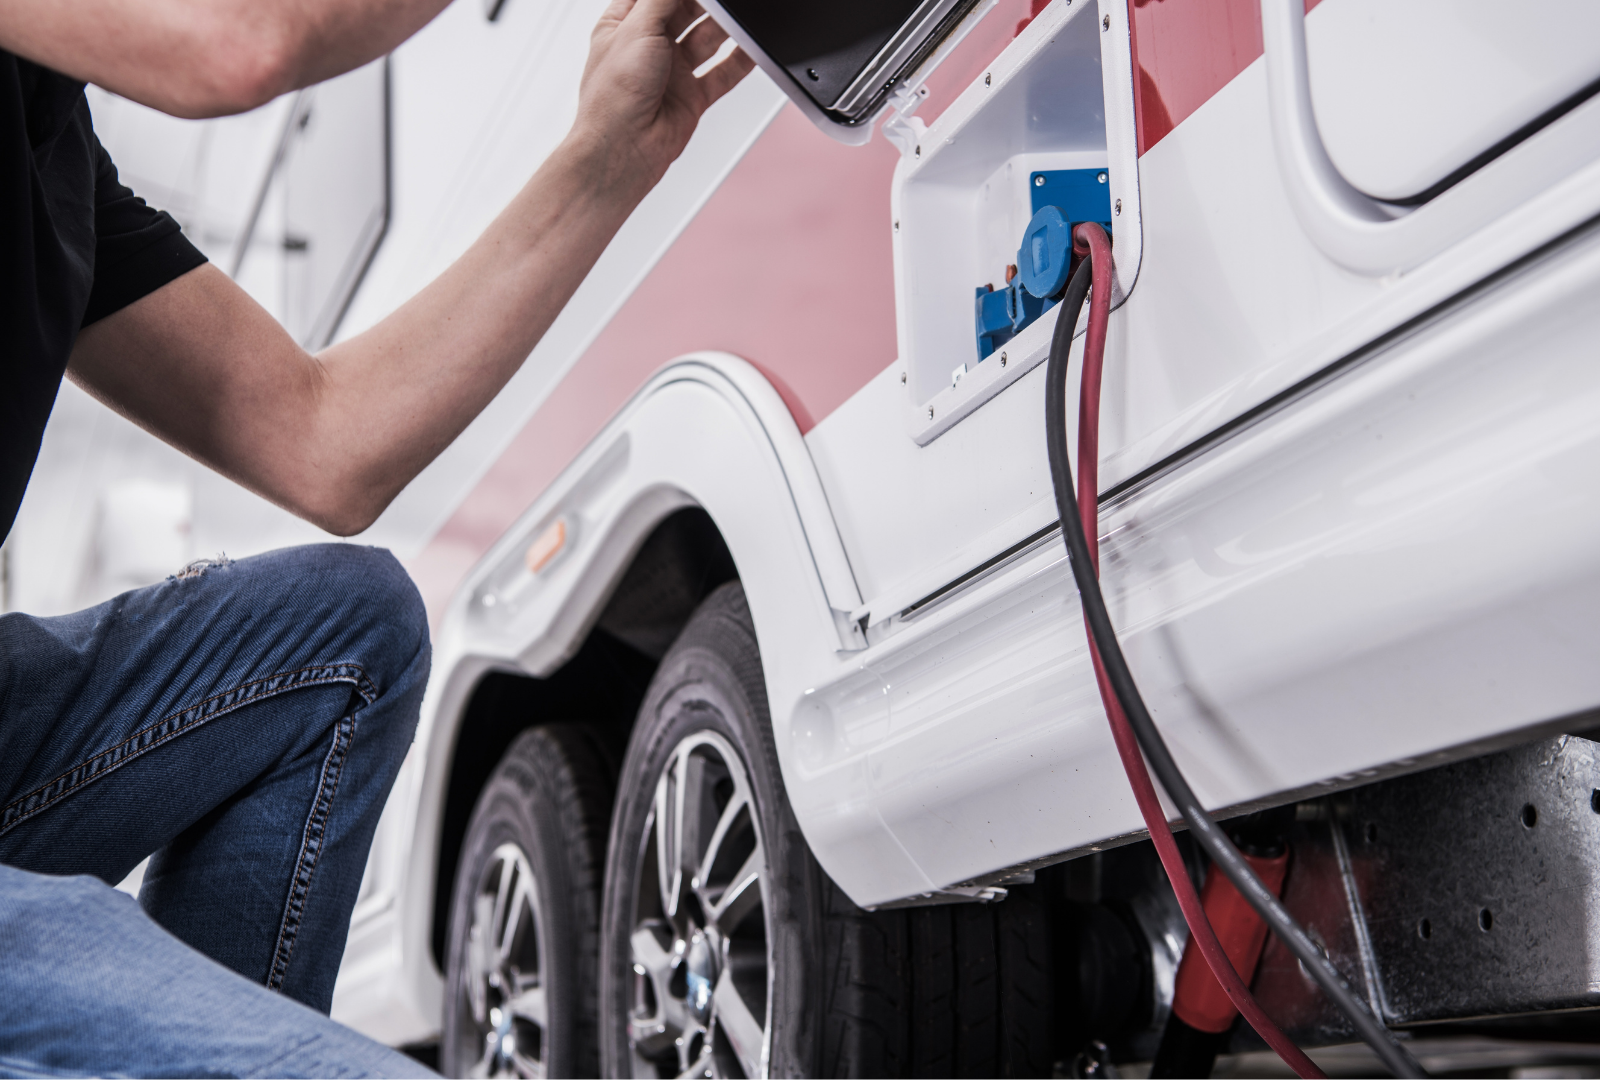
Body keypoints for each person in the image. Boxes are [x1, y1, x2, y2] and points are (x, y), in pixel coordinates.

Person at [0, 0, 752, 1074]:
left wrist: (610, 152)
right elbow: (239, 43)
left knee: (351, 627)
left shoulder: (53, 149)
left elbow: (327, 440)